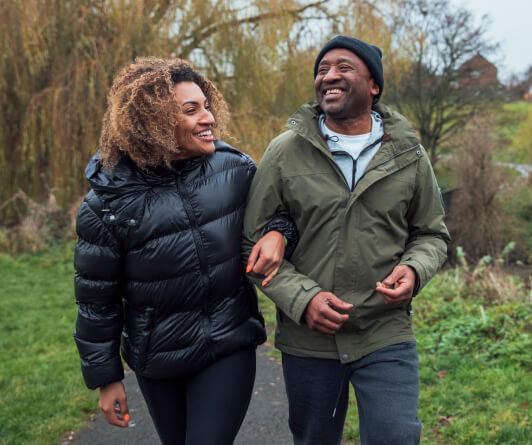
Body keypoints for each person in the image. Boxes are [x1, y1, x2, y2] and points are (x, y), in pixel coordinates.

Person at [73, 57, 298, 445]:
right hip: (157, 360)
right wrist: (106, 378)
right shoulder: (107, 202)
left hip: (228, 344)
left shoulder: (235, 169)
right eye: (191, 110)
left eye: (206, 105)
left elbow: (285, 212)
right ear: (152, 123)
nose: (208, 117)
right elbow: (97, 300)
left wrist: (279, 231)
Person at [242, 35, 451, 445]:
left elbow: (431, 234)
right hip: (309, 341)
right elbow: (252, 241)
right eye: (322, 70)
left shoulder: (409, 153)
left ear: (374, 85)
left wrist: (413, 269)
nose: (329, 76)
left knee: (396, 436)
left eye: (343, 67)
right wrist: (304, 301)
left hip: (385, 331)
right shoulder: (284, 152)